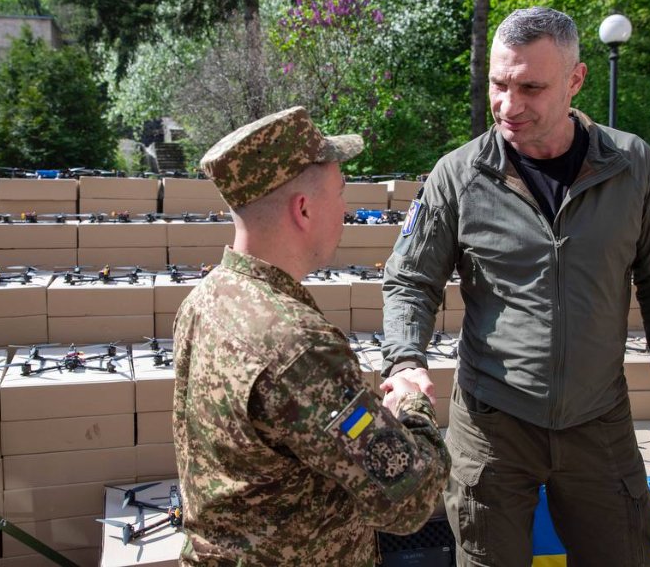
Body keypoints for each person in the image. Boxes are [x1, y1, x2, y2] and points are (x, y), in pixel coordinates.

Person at [380, 7, 650, 566]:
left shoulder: (632, 167)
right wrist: (405, 359)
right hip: (491, 425)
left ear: (575, 80)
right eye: (499, 84)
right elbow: (411, 279)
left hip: (598, 420)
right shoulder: (458, 175)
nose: (508, 105)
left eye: (530, 88)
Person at [173, 106, 450, 566]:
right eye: (340, 193)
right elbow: (409, 499)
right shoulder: (298, 346)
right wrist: (412, 403)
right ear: (303, 209)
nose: (346, 209)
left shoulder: (206, 299)